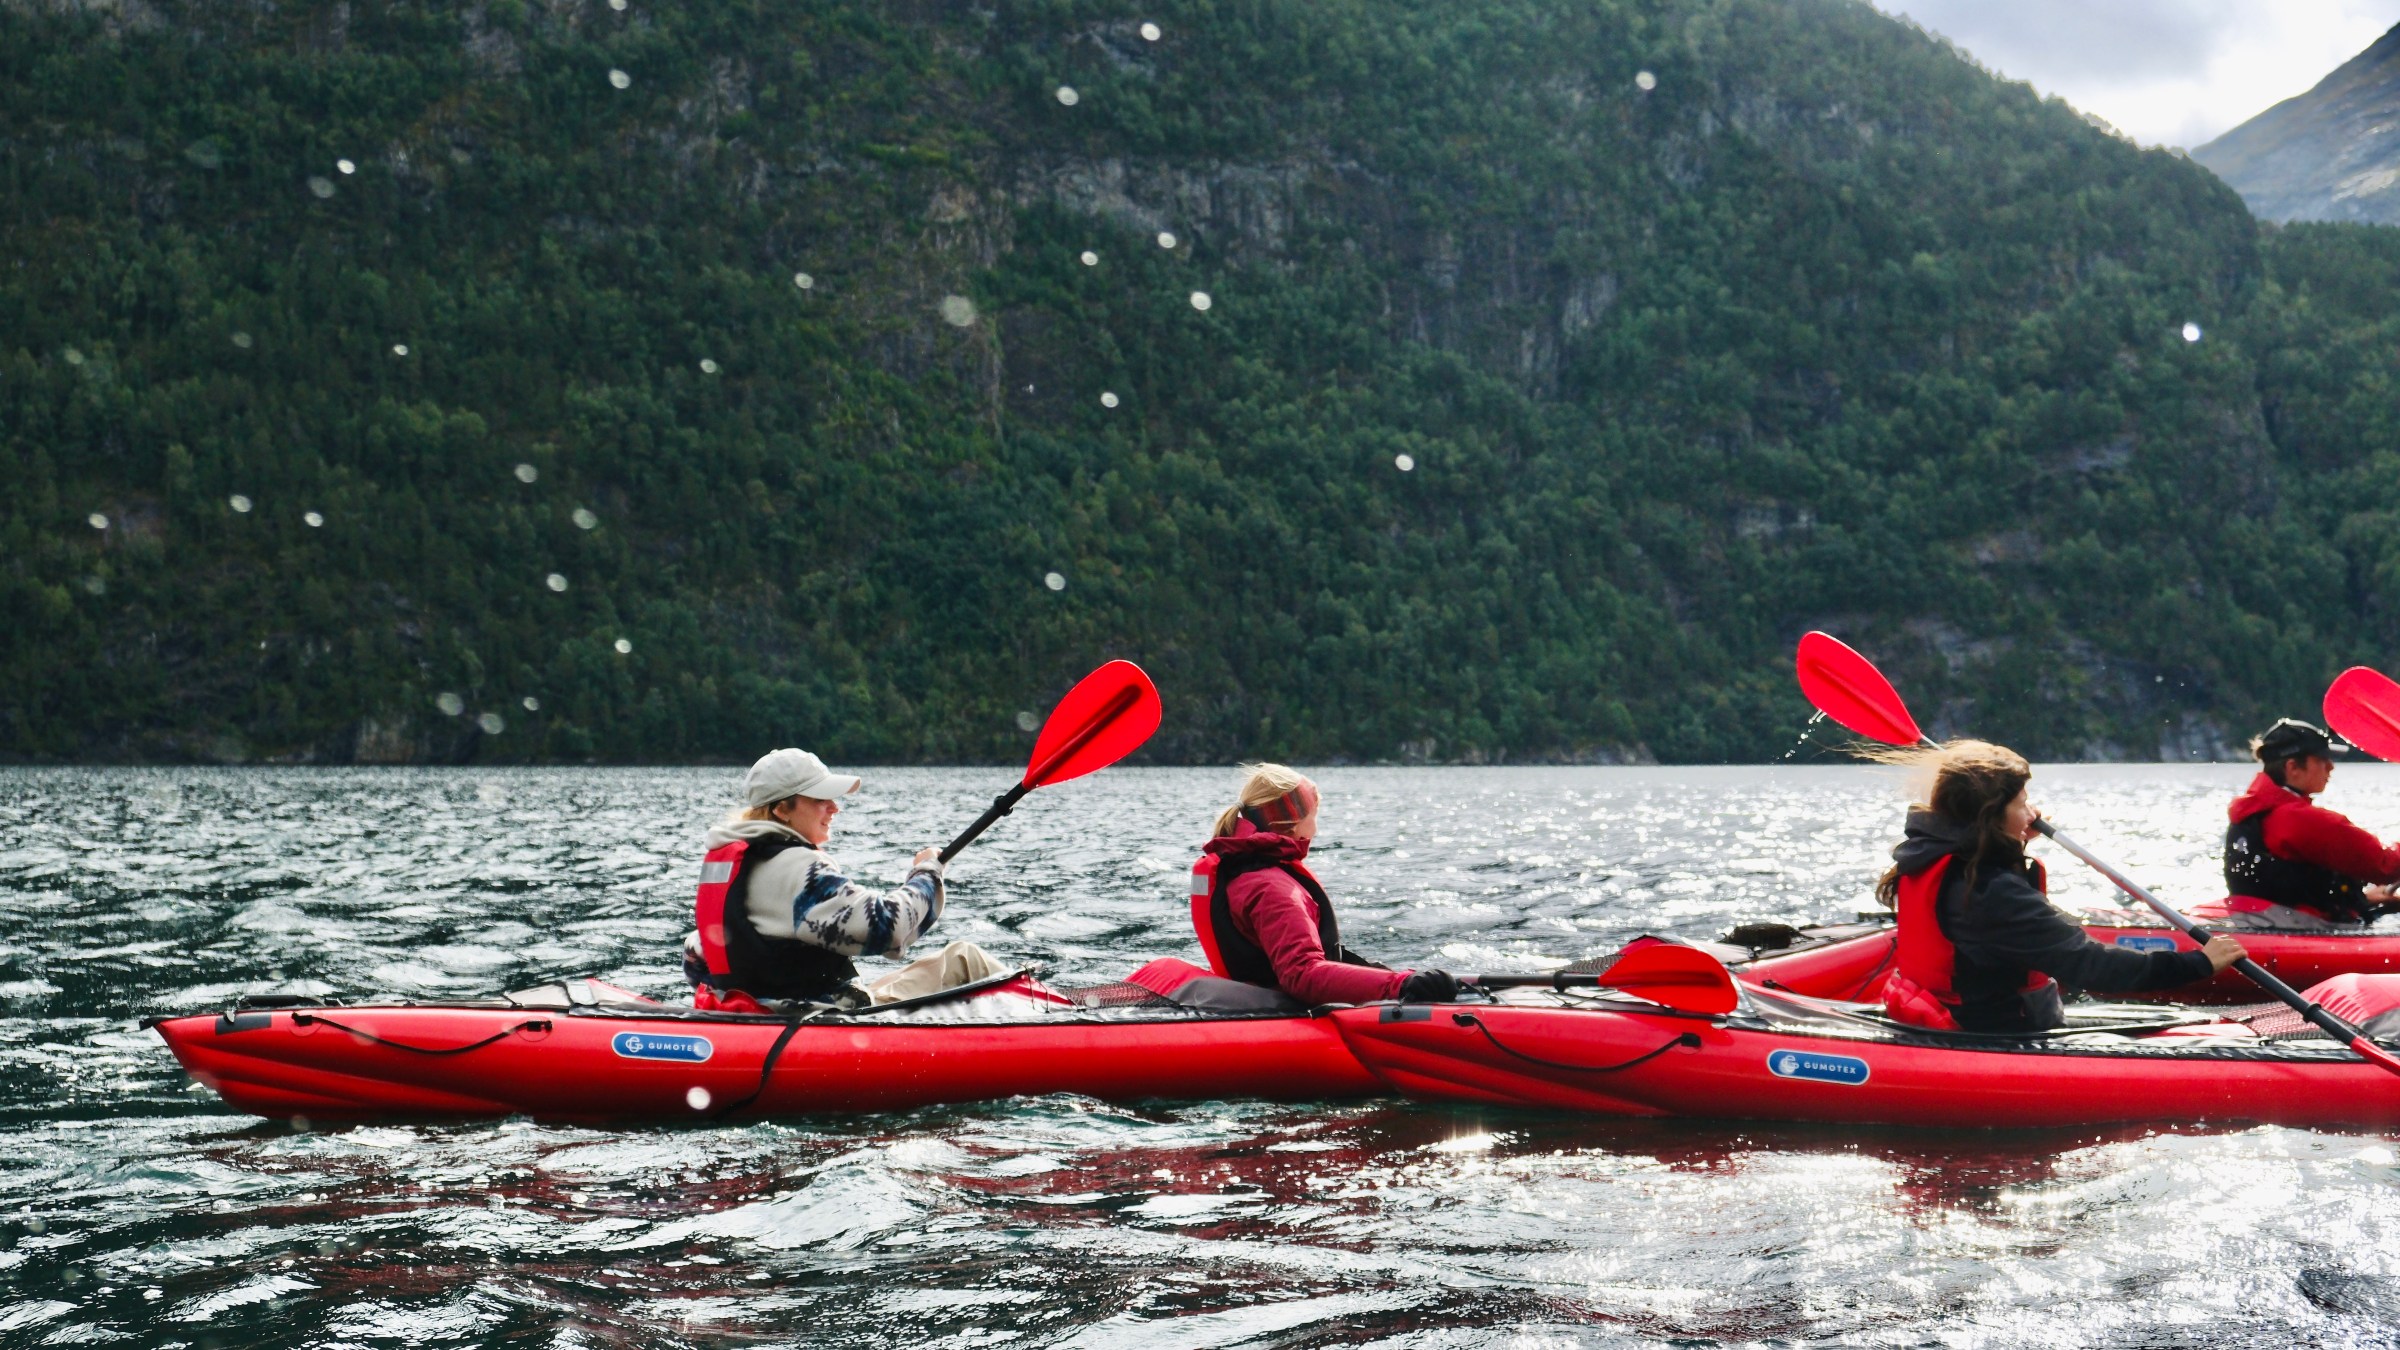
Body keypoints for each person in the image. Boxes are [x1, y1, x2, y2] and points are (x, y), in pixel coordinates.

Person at [1875, 740, 2245, 1033]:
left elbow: (1988, 927)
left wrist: (2011, 838)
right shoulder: (1992, 893)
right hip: (1995, 1031)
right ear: (1989, 817)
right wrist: (2197, 963)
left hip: (1953, 1015)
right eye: (2021, 804)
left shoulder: (1932, 856)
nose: (2031, 812)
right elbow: (2089, 965)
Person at [684, 748, 1003, 1010]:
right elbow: (887, 928)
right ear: (783, 810)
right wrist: (927, 872)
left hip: (764, 1012)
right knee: (966, 959)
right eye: (820, 799)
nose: (834, 807)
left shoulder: (727, 864)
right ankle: (1049, 1026)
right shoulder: (799, 867)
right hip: (820, 1020)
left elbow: (697, 957)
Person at [1189, 763, 1459, 1005]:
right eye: (1314, 816)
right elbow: (1302, 974)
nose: (1316, 830)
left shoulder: (1240, 870)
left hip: (1255, 996)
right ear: (1292, 825)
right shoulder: (1272, 888)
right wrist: (1399, 985)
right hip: (1284, 1013)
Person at [2223, 718, 2400, 926]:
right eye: (2322, 759)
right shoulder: (2298, 819)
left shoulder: (2252, 810)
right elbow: (2386, 865)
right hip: (2302, 928)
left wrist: (2363, 899)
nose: (2331, 767)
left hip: (2264, 919)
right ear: (2293, 767)